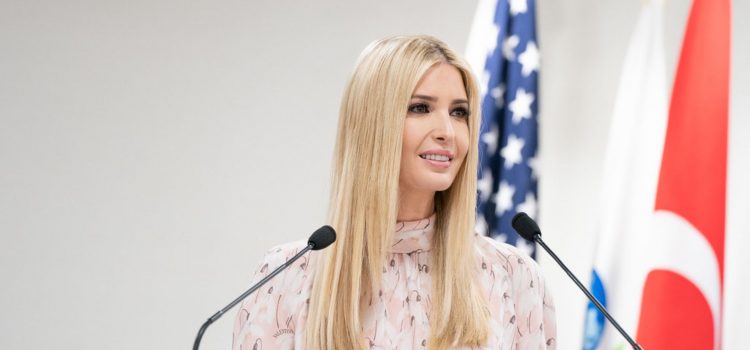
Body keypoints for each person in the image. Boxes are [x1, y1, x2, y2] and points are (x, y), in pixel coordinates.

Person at [232, 35, 556, 350]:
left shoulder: (512, 276)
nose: (447, 132)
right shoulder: (287, 276)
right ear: (373, 125)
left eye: (459, 112)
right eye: (420, 108)